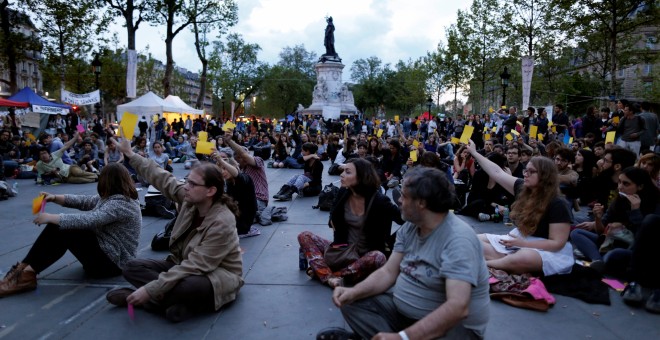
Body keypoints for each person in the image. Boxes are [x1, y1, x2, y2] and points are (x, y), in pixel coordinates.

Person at [319, 167, 489, 340]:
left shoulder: (458, 240)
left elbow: (457, 307)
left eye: (404, 196)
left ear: (421, 202)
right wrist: (353, 292)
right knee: (351, 301)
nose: (399, 200)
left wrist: (404, 337)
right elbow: (388, 272)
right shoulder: (411, 225)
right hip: (405, 317)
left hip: (452, 329)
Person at [105, 133, 244, 323]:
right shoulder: (190, 199)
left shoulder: (223, 221)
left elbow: (196, 265)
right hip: (181, 263)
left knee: (187, 286)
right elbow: (163, 178)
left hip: (217, 275)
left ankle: (148, 300)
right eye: (187, 181)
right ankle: (174, 304)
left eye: (193, 184)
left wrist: (149, 289)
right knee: (131, 267)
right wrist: (131, 154)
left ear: (210, 191)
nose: (186, 186)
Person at [0, 163, 141, 297]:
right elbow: (84, 201)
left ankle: (26, 276)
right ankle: (23, 270)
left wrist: (52, 217)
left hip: (112, 265)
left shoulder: (122, 204)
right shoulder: (113, 198)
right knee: (61, 226)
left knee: (65, 228)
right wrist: (54, 198)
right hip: (108, 255)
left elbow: (91, 219)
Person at [466, 140, 574, 275]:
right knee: (470, 239)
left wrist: (524, 244)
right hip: (519, 241)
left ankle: (486, 264)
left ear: (545, 176)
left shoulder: (558, 203)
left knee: (524, 258)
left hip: (546, 250)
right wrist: (474, 153)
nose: (525, 174)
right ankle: (503, 262)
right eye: (525, 170)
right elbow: (497, 173)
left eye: (531, 171)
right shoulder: (523, 187)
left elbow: (557, 244)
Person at [298, 158, 403, 288]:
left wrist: (391, 243)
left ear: (361, 177)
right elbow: (333, 218)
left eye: (348, 172)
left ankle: (327, 274)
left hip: (365, 256)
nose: (341, 175)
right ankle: (332, 276)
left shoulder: (380, 201)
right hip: (342, 250)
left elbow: (404, 220)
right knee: (305, 236)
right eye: (343, 171)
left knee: (378, 257)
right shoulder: (343, 192)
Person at [572, 167, 660, 274]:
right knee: (576, 233)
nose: (620, 187)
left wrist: (635, 211)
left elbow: (644, 239)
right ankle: (598, 260)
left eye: (626, 184)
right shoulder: (619, 200)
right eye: (619, 182)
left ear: (640, 186)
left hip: (633, 248)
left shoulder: (655, 203)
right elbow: (601, 232)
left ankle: (598, 258)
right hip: (612, 241)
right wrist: (597, 218)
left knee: (614, 255)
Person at [214, 147, 257, 236]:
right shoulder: (228, 182)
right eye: (221, 169)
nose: (222, 172)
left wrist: (221, 161)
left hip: (243, 221)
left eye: (225, 169)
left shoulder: (245, 178)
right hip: (235, 217)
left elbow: (237, 174)